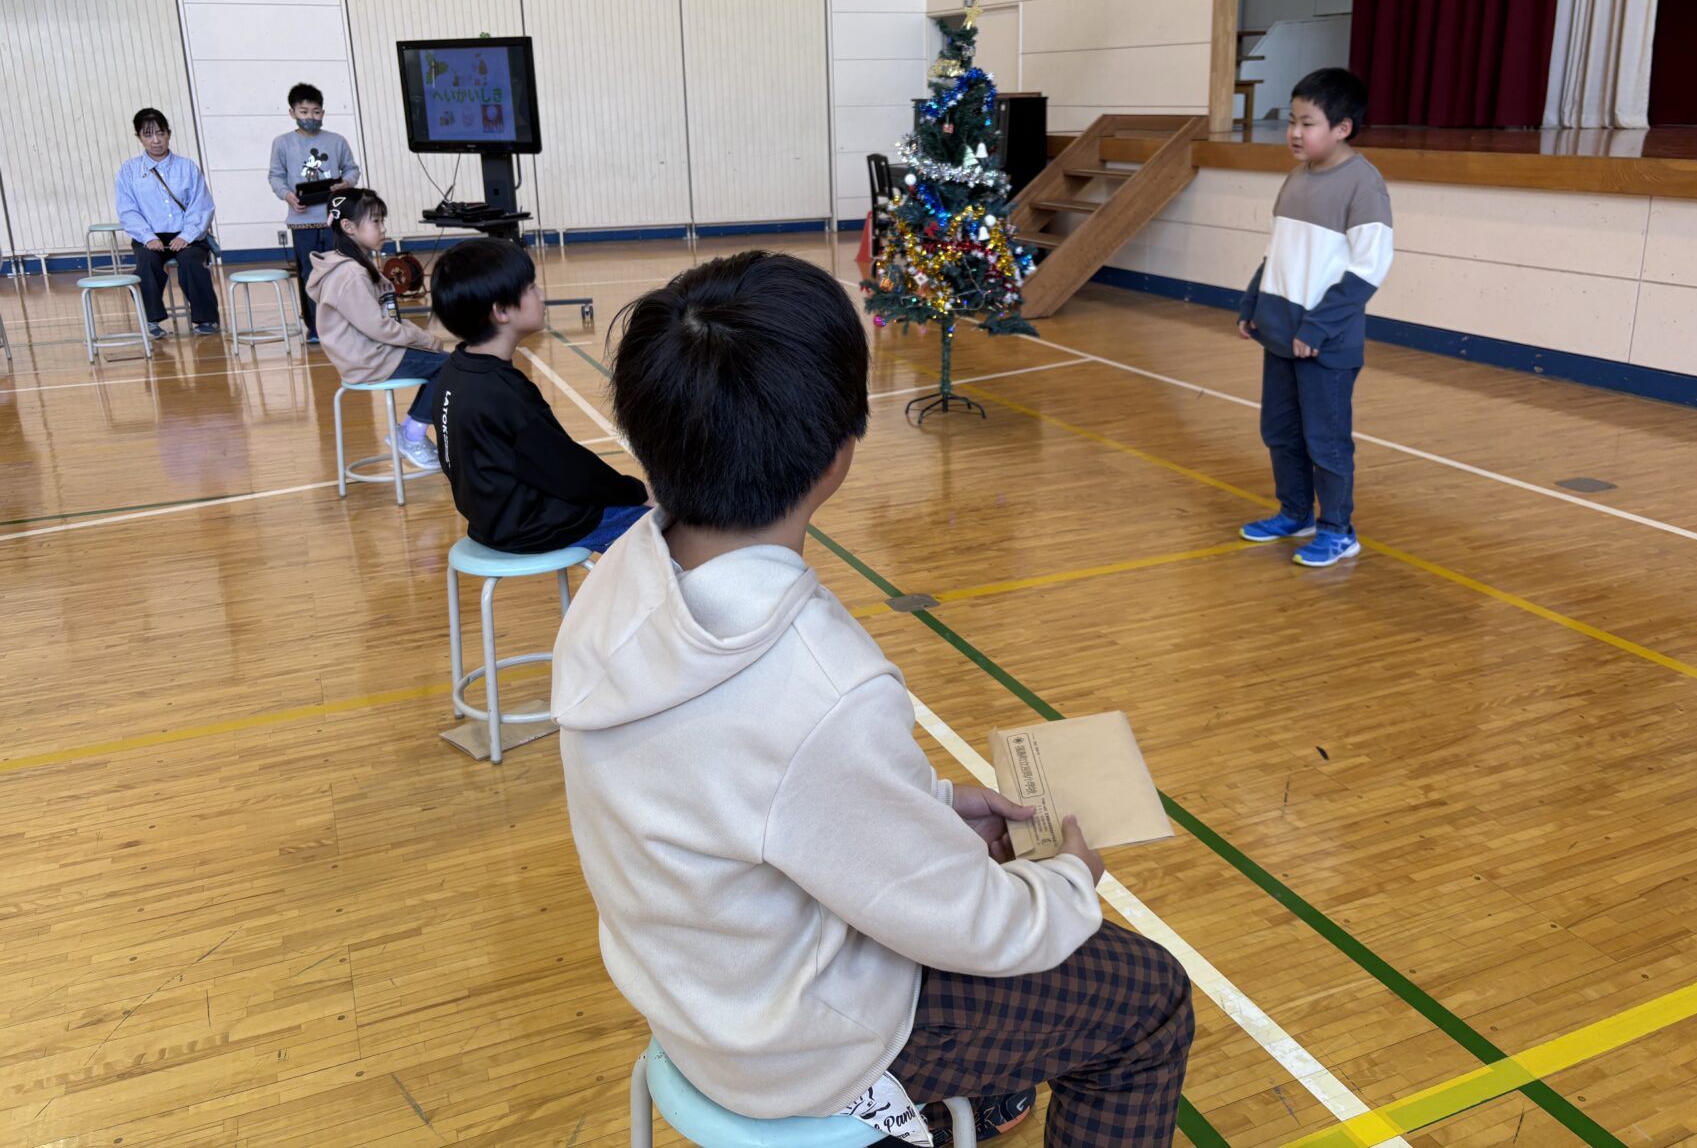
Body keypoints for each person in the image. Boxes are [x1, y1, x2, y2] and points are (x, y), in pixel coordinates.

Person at [552, 252, 1194, 1147]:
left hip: (691, 992)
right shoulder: (820, 683)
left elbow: (753, 801)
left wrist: (926, 804)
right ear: (839, 453)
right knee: (1149, 997)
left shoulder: (615, 588)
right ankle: (929, 1096)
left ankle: (958, 1098)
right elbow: (971, 926)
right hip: (797, 1044)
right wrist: (1064, 883)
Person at [1236, 67, 1394, 569]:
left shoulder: (1363, 187)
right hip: (1281, 333)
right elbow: (1277, 252)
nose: (1294, 133)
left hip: (1324, 344)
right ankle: (1296, 512)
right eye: (1292, 121)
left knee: (1325, 441)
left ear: (1343, 128)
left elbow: (1368, 272)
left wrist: (1316, 328)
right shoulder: (1295, 179)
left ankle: (1337, 529)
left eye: (1308, 123)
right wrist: (1253, 304)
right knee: (1280, 432)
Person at [425, 237, 650, 554]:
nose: (541, 295)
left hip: (489, 524)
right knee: (664, 525)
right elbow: (570, 472)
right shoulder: (503, 392)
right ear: (501, 310)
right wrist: (637, 492)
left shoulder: (454, 371)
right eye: (531, 288)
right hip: (534, 527)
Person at [307, 188, 444, 471]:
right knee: (450, 368)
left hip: (373, 352)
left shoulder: (356, 264)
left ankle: (407, 431)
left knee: (444, 363)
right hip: (370, 359)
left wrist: (421, 339)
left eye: (383, 221)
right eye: (376, 222)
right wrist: (424, 338)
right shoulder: (351, 274)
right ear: (348, 227)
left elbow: (385, 322)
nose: (383, 229)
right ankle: (411, 434)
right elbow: (380, 328)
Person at [114, 108, 222, 338]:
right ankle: (151, 321)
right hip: (150, 235)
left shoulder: (187, 167)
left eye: (160, 133)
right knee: (146, 263)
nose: (156, 140)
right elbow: (128, 210)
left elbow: (201, 206)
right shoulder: (129, 171)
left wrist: (187, 235)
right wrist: (147, 237)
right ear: (139, 137)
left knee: (192, 262)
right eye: (148, 135)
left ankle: (206, 319)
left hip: (187, 234)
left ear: (169, 134)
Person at [269, 82, 359, 344]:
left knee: (341, 271)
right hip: (302, 221)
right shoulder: (282, 143)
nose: (311, 117)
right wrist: (288, 196)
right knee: (310, 274)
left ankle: (345, 324)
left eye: (316, 112)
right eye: (304, 111)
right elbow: (275, 176)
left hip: (334, 219)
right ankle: (316, 327)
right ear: (292, 112)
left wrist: (346, 183)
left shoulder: (336, 141)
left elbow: (352, 169)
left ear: (323, 112)